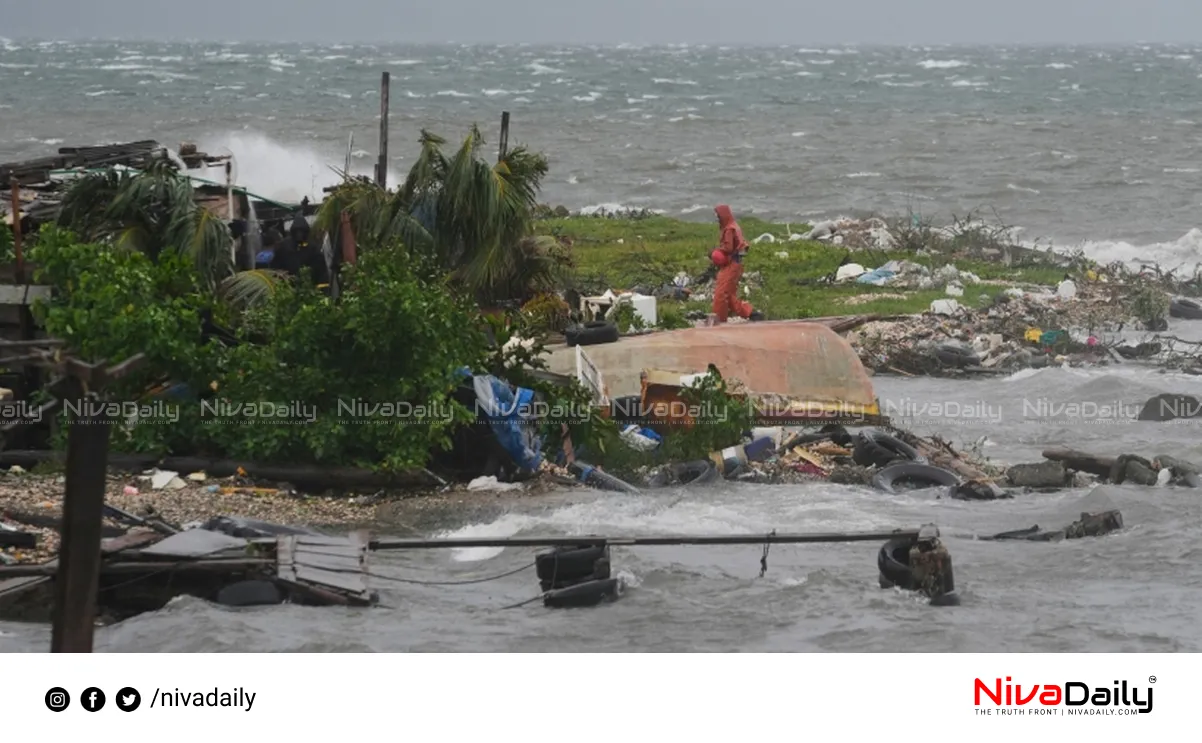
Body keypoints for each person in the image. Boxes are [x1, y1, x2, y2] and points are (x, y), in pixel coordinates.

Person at [710, 204, 764, 323]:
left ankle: (719, 319)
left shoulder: (729, 229)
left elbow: (728, 248)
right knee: (729, 295)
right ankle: (751, 313)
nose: (717, 218)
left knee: (721, 293)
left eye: (718, 215)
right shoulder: (734, 225)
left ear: (723, 215)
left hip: (731, 264)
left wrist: (716, 251)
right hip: (736, 263)